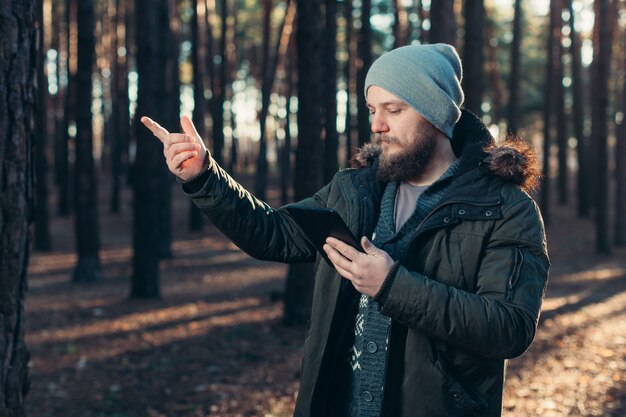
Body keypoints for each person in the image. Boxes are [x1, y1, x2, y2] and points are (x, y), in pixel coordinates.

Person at [141, 44, 549, 417]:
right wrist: (204, 178)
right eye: (372, 110)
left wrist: (391, 285)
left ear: (436, 113)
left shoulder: (503, 210)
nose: (377, 125)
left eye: (393, 109)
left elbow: (509, 328)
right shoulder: (354, 189)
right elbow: (272, 233)